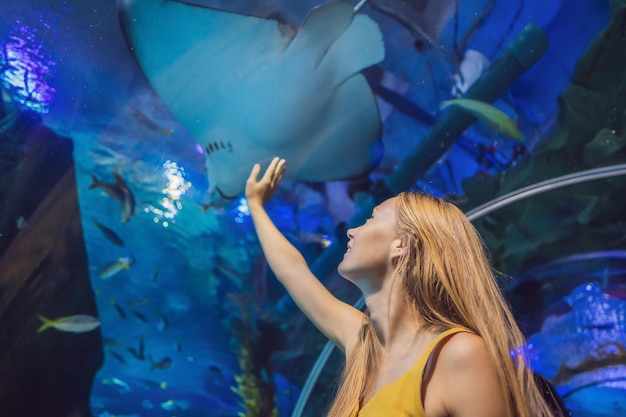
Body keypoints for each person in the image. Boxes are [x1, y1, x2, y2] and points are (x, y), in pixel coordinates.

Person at [245, 157, 559, 417]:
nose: (352, 230)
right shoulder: (364, 347)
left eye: (371, 219)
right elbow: (293, 272)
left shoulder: (458, 354)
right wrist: (256, 207)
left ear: (403, 245)